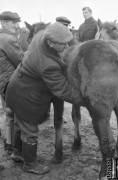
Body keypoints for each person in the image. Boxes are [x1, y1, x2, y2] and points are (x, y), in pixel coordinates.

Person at [5, 22, 84, 175]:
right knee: (30, 130)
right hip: (25, 97)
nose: (65, 46)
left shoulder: (42, 40)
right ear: (50, 42)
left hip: (16, 90)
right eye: (61, 44)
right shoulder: (48, 65)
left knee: (18, 123)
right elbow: (63, 90)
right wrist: (86, 99)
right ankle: (30, 163)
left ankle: (17, 152)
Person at [0, 11, 24, 155]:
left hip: (2, 82)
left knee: (8, 114)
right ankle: (17, 150)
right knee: (18, 115)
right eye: (14, 22)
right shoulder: (8, 39)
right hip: (11, 82)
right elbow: (21, 60)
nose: (17, 25)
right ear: (4, 22)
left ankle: (8, 145)